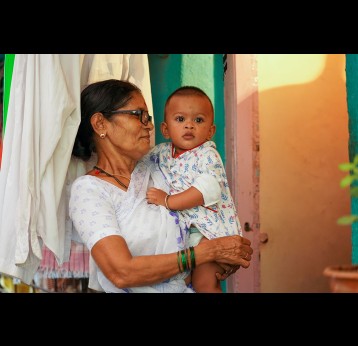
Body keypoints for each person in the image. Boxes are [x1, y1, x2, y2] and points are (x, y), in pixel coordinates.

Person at [69, 79, 253, 293]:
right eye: (139, 115)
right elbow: (122, 272)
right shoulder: (90, 190)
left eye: (149, 117)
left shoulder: (162, 166)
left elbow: (206, 206)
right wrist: (208, 252)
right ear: (101, 124)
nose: (149, 125)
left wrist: (222, 251)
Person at [145, 86, 242, 293]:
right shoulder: (161, 152)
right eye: (180, 119)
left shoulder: (207, 154)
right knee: (182, 283)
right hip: (186, 234)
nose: (189, 125)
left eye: (198, 120)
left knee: (205, 284)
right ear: (165, 129)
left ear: (210, 131)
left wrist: (167, 201)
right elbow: (139, 166)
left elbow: (206, 191)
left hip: (211, 233)